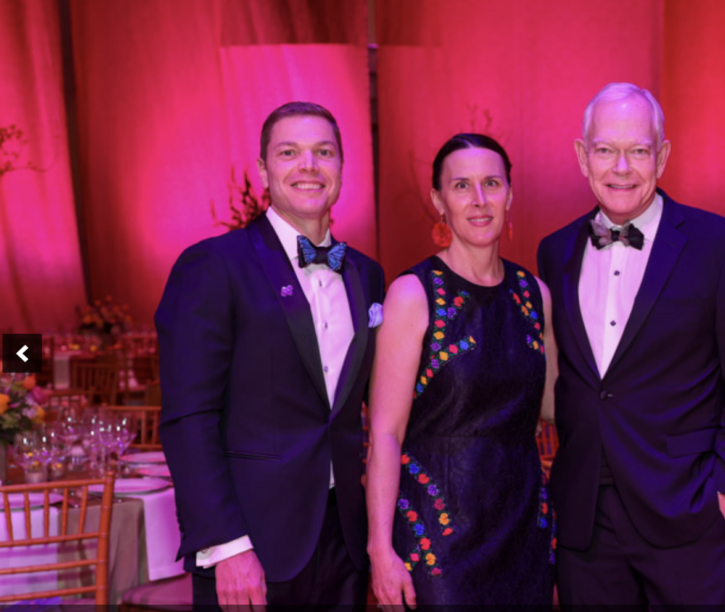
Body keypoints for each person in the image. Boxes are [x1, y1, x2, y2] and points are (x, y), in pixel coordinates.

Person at [536, 82, 725, 606]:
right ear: (581, 156)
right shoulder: (555, 251)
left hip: (688, 512)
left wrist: (724, 495)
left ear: (661, 156)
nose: (621, 167)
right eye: (605, 150)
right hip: (585, 521)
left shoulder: (721, 247)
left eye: (638, 150)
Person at [156, 101, 384, 608]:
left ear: (341, 168)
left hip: (344, 540)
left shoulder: (366, 275)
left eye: (323, 152)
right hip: (252, 543)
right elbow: (188, 419)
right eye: (289, 152)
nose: (308, 165)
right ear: (263, 170)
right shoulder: (213, 266)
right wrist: (228, 547)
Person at [366, 133, 557, 608]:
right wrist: (380, 549)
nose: (478, 200)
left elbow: (557, 405)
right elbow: (386, 433)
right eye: (461, 186)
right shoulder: (412, 295)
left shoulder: (535, 294)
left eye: (491, 183)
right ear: (439, 200)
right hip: (438, 544)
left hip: (524, 532)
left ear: (510, 194)